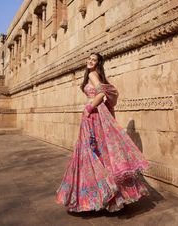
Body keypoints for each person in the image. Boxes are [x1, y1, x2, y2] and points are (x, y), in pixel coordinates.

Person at [56, 52, 149, 212]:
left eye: (94, 60)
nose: (90, 61)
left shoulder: (93, 74)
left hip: (92, 116)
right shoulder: (95, 75)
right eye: (89, 59)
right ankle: (109, 194)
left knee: (91, 152)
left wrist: (89, 108)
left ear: (98, 64)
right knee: (99, 151)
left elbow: (101, 94)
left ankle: (99, 195)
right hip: (96, 117)